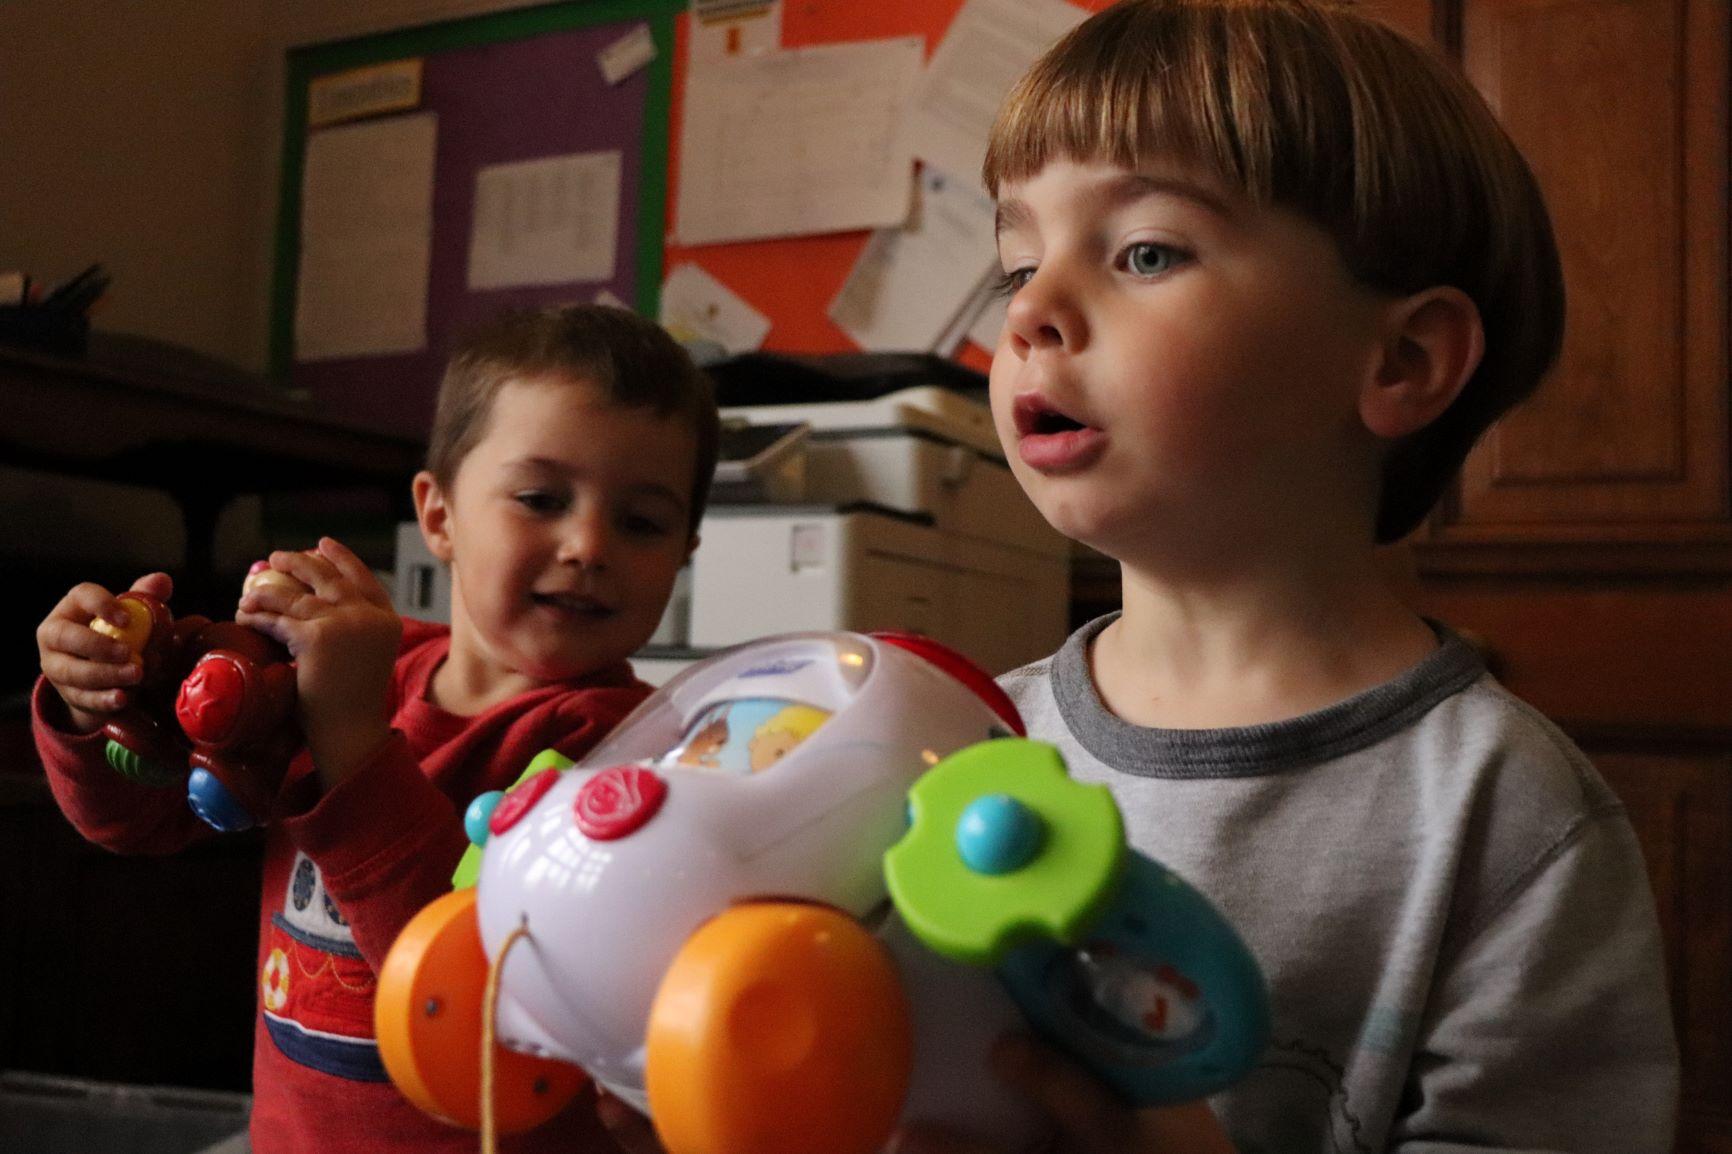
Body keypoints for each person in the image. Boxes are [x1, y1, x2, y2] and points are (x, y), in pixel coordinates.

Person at [892, 1, 1680, 1152]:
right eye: (1018, 259)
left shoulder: (1506, 818)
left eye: (1145, 251)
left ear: (1400, 360)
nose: (1030, 312)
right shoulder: (953, 744)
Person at [33, 304, 720, 1154]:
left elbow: (476, 997)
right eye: (542, 499)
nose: (587, 543)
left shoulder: (632, 757)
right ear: (439, 517)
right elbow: (134, 821)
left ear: (685, 551)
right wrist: (95, 706)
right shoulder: (364, 672)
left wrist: (352, 735)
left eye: (642, 522)